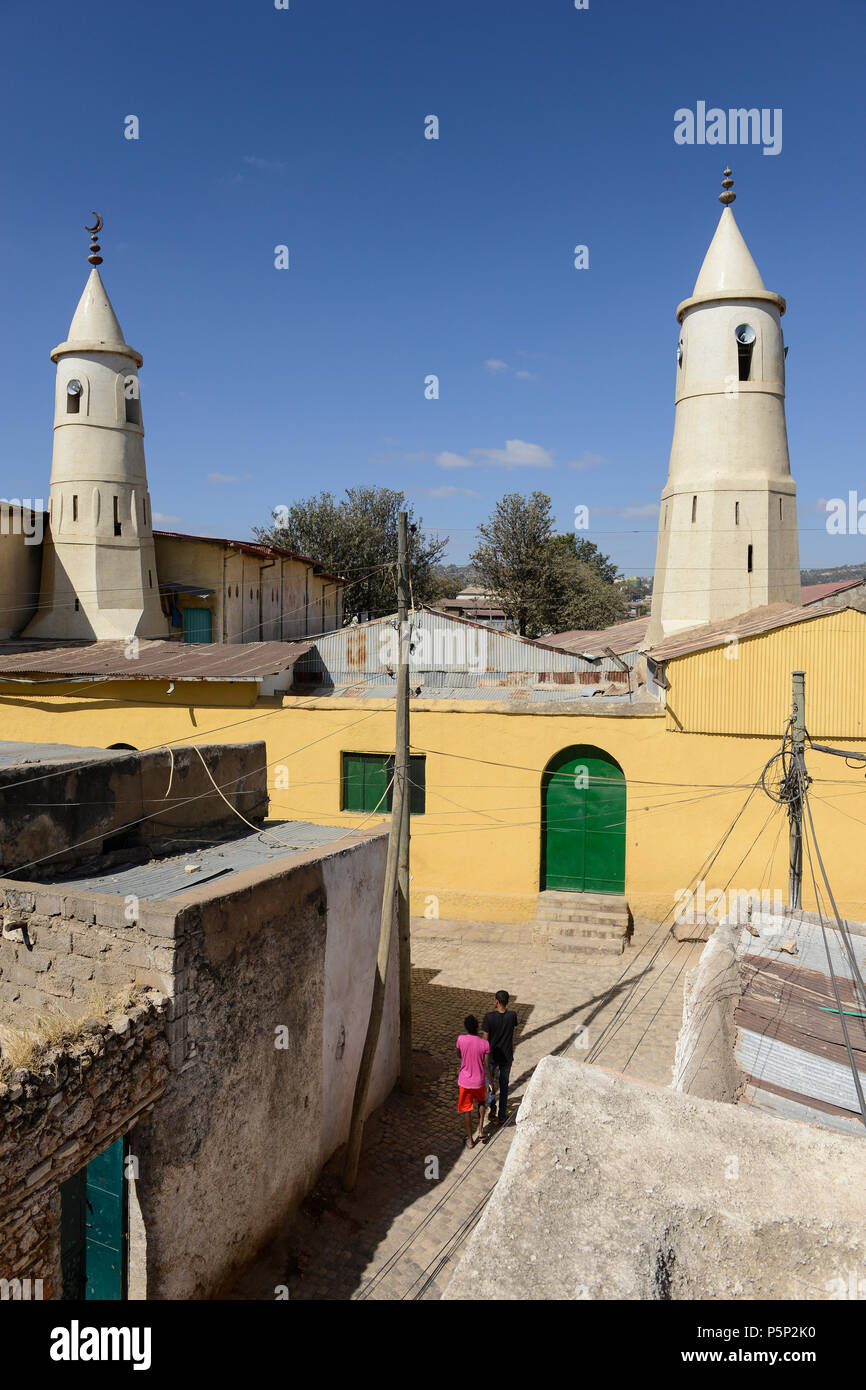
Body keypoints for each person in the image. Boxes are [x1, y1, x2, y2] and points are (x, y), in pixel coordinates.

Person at [480, 990, 518, 1124]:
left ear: (496, 1002)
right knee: (504, 1085)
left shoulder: (489, 1017)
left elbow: (485, 1041)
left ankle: (492, 1108)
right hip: (506, 1056)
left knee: (489, 1083)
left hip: (492, 1057)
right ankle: (502, 1115)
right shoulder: (512, 1016)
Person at [456, 1015, 492, 1149]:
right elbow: (486, 1065)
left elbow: (458, 1055)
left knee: (466, 1110)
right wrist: (491, 1083)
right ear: (477, 1027)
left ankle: (470, 1140)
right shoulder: (484, 1043)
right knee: (481, 1103)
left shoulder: (460, 1040)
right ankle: (481, 1129)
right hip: (479, 1081)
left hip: (464, 1082)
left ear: (466, 1027)